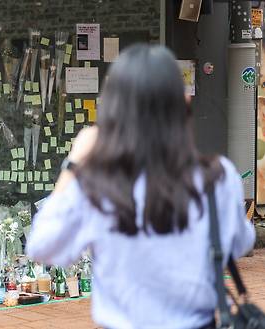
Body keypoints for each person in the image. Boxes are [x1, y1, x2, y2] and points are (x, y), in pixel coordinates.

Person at [26, 44, 255, 329]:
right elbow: (241, 242)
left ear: (111, 110)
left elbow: (42, 247)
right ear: (183, 103)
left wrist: (73, 164)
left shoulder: (96, 182)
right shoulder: (218, 178)